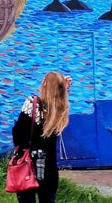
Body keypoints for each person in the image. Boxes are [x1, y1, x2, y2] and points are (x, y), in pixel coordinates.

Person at [11, 71, 72, 202]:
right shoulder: (60, 110)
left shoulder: (32, 103)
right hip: (49, 167)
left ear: (44, 85)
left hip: (28, 165)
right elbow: (59, 99)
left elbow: (18, 135)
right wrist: (64, 89)